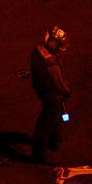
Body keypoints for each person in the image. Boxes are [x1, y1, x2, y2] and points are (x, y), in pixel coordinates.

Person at [30, 27, 72, 163]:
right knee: (46, 124)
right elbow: (58, 84)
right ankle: (39, 154)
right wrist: (67, 92)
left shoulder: (38, 50)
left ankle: (55, 141)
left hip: (43, 91)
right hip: (53, 96)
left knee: (56, 117)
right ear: (53, 43)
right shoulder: (51, 63)